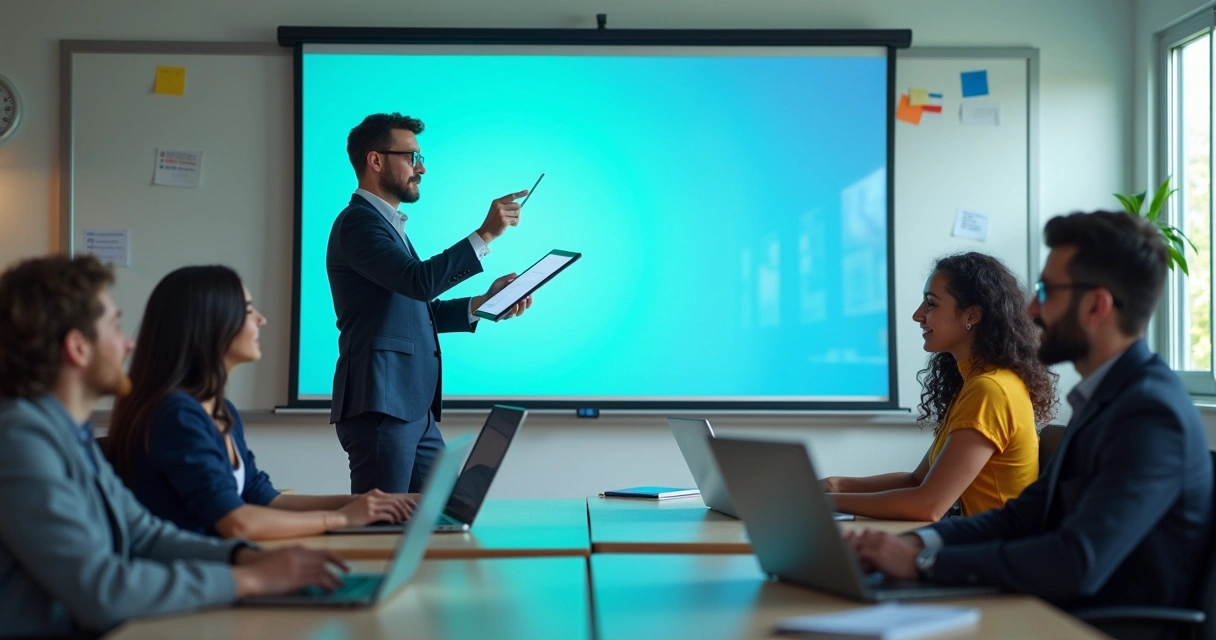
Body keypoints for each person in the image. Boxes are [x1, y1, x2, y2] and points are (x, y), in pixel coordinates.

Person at [848, 212, 1214, 639]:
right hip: (1053, 612)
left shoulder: (1151, 413)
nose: (1031, 308)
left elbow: (1077, 560)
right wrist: (916, 545)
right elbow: (1023, 517)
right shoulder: (1106, 399)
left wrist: (924, 564)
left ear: (1097, 305)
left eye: (1047, 291)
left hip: (1092, 626)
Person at [0, 255, 346, 637]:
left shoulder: (67, 433)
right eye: (115, 327)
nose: (128, 343)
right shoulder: (20, 441)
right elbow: (101, 589)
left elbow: (146, 535)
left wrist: (247, 557)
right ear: (78, 348)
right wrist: (249, 580)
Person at [107, 265, 414, 540]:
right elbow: (238, 524)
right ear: (210, 324)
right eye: (248, 310)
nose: (261, 320)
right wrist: (343, 518)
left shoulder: (220, 411)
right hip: (190, 583)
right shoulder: (177, 415)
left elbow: (262, 496)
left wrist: (363, 502)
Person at [328, 112, 532, 494]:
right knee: (382, 533)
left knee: (444, 520)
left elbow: (416, 310)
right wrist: (487, 233)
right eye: (412, 157)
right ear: (375, 160)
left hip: (412, 409)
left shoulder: (388, 226)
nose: (421, 169)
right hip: (382, 407)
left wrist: (484, 303)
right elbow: (419, 282)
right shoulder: (359, 224)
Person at [822, 252, 1057, 520]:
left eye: (931, 304)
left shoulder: (991, 389)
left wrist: (829, 502)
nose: (917, 315)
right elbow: (916, 481)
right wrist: (835, 486)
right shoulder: (977, 382)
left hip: (987, 552)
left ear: (972, 314)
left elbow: (928, 505)